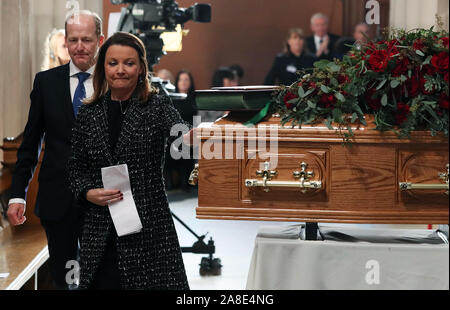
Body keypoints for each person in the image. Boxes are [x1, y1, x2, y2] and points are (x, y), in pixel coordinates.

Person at [68, 32, 190, 290]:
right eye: (113, 63)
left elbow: (182, 135)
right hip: (100, 230)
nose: (120, 70)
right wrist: (88, 192)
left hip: (148, 229)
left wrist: (203, 134)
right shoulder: (89, 113)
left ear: (141, 67)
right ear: (103, 67)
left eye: (129, 63)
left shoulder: (155, 104)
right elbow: (75, 169)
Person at [7, 11, 104, 290]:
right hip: (56, 197)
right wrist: (18, 194)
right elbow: (31, 143)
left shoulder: (113, 82)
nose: (79, 47)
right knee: (64, 281)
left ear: (100, 40)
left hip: (102, 199)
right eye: (73, 40)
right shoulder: (46, 82)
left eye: (86, 40)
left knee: (100, 277)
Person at [164, 69, 197, 191]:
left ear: (190, 82)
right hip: (173, 134)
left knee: (187, 147)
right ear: (177, 82)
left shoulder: (194, 99)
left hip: (189, 132)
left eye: (186, 79)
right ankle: (169, 183)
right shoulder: (172, 99)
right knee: (167, 147)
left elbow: (196, 119)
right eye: (181, 80)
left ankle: (186, 183)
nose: (183, 82)